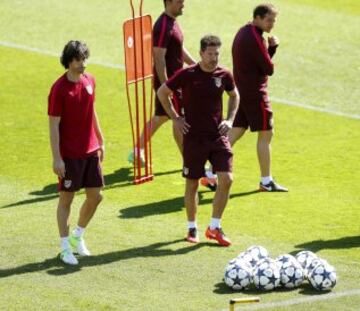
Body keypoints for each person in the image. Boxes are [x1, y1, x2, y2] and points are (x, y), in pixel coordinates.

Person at [157, 35, 239, 246]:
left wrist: (229, 120)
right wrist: (176, 118)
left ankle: (214, 226)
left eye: (217, 54)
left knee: (227, 179)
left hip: (217, 136)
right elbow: (162, 92)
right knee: (192, 184)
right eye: (210, 54)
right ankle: (192, 227)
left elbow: (234, 95)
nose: (214, 58)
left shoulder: (224, 75)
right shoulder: (187, 74)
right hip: (193, 138)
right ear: (201, 53)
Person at [48, 40, 105, 265]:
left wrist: (100, 140)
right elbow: (53, 124)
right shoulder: (59, 89)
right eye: (79, 60)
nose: (84, 64)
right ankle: (64, 248)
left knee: (96, 196)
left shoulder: (90, 81)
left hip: (90, 150)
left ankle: (77, 237)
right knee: (66, 200)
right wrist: (57, 158)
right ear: (69, 61)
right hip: (70, 154)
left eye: (85, 59)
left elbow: (92, 111)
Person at [128, 0, 196, 165]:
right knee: (179, 119)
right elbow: (158, 57)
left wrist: (195, 65)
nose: (183, 5)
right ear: (169, 2)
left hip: (173, 82)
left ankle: (137, 151)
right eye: (180, 1)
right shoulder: (163, 25)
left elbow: (179, 47)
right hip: (169, 83)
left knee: (162, 117)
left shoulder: (172, 22)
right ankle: (190, 162)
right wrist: (167, 86)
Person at [230, 3, 288, 192]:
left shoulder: (244, 32)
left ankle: (211, 171)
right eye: (269, 20)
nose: (272, 24)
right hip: (254, 92)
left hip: (243, 90)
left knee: (236, 131)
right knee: (266, 133)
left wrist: (267, 51)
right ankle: (266, 181)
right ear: (258, 18)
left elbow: (259, 63)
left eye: (274, 21)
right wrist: (273, 48)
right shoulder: (254, 37)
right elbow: (268, 68)